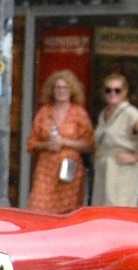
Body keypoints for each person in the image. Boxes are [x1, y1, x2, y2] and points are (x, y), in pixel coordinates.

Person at [25, 70, 94, 215]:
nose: (61, 91)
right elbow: (31, 143)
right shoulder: (44, 112)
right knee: (38, 208)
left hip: (69, 169)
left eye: (65, 88)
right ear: (52, 90)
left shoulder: (79, 113)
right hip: (46, 169)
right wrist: (46, 145)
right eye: (57, 87)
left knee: (66, 211)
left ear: (72, 90)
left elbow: (90, 144)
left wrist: (65, 142)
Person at [91, 73, 138, 207]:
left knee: (117, 210)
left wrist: (135, 156)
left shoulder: (129, 112)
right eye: (108, 90)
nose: (112, 93)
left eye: (117, 90)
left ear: (125, 92)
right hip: (103, 168)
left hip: (120, 169)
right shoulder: (104, 113)